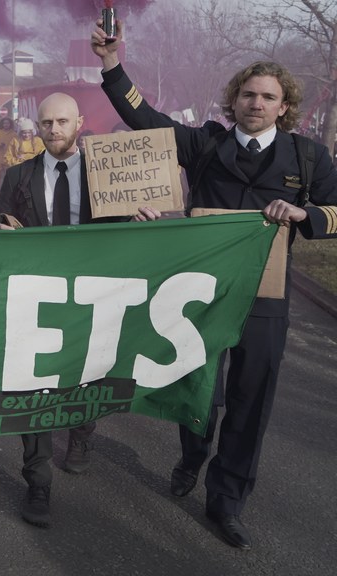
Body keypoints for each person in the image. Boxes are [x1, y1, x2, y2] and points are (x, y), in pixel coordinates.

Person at [93, 19, 337, 550]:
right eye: (248, 93)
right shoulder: (204, 144)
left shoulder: (310, 156)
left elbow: (334, 211)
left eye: (268, 96)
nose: (256, 102)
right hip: (199, 295)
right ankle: (193, 453)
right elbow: (145, 118)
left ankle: (227, 500)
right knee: (201, 387)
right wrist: (113, 66)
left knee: (251, 401)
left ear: (283, 105)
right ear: (235, 100)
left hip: (265, 299)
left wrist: (303, 213)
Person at [0, 92, 157, 528]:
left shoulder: (107, 171)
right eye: (46, 123)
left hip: (93, 296)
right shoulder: (19, 174)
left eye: (62, 121)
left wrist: (138, 221)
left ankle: (82, 433)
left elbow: (121, 228)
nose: (54, 130)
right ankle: (37, 480)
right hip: (37, 298)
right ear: (37, 126)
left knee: (92, 372)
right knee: (32, 385)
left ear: (79, 122)